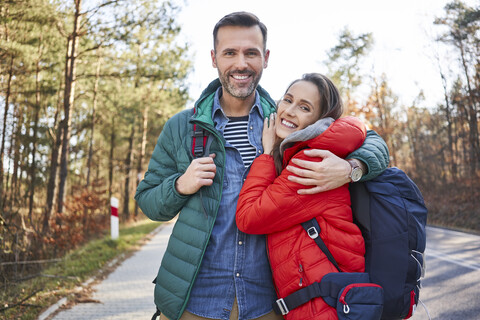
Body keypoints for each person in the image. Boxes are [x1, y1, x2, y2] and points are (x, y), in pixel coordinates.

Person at [135, 12, 389, 320]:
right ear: (214, 58)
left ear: (265, 58)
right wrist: (179, 186)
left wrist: (351, 168)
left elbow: (371, 140)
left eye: (251, 53)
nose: (241, 63)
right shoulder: (182, 127)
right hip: (193, 301)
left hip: (269, 304)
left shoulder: (287, 122)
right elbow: (148, 201)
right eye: (230, 52)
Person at [236, 73, 367, 320]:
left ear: (320, 119)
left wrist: (266, 154)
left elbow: (248, 218)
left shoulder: (311, 162)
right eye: (287, 100)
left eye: (305, 107)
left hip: (325, 308)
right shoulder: (307, 153)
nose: (289, 111)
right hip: (325, 301)